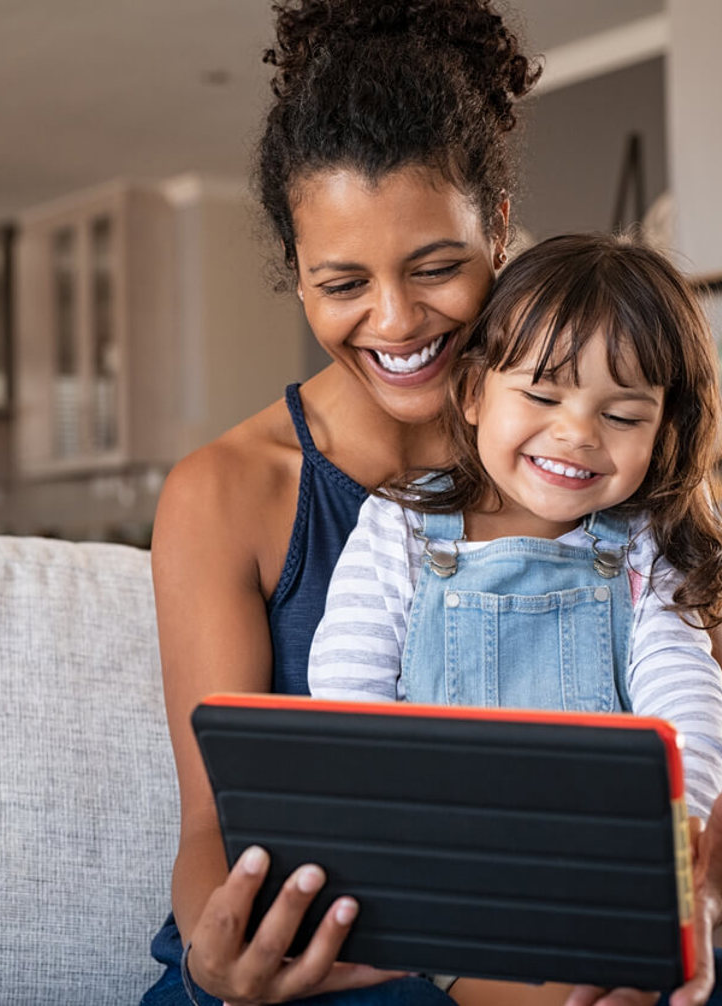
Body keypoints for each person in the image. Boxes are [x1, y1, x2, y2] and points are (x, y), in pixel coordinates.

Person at [140, 1, 722, 1004]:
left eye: (436, 266)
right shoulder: (227, 492)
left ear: (496, 227)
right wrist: (220, 951)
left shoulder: (598, 463)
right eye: (341, 283)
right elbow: (211, 829)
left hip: (574, 916)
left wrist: (689, 896)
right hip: (339, 942)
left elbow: (695, 732)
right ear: (296, 277)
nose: (398, 319)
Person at [308, 232, 722, 999]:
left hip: (602, 874)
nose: (577, 434)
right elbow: (346, 692)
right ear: (473, 394)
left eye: (623, 415)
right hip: (445, 875)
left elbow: (686, 700)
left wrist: (679, 844)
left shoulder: (641, 549)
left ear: (663, 430)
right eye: (541, 395)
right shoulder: (397, 528)